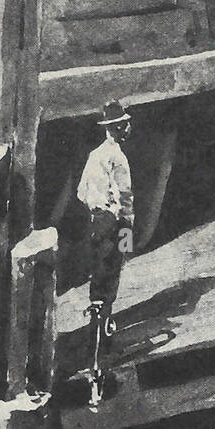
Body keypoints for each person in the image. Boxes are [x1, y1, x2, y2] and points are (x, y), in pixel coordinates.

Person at [76, 100, 135, 333]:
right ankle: (103, 331)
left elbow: (81, 191)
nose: (129, 129)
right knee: (114, 268)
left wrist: (96, 210)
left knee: (99, 271)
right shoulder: (118, 158)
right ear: (119, 128)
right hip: (115, 220)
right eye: (126, 125)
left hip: (96, 219)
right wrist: (127, 239)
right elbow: (125, 198)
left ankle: (96, 322)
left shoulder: (95, 155)